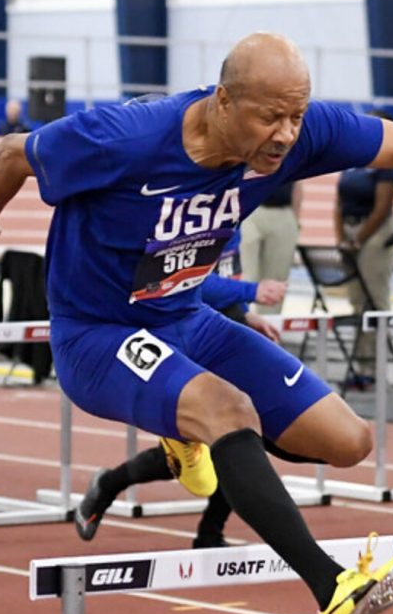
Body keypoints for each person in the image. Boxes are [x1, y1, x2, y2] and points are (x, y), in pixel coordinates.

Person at [0, 32, 393, 614]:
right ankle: (334, 591)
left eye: (297, 116)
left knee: (347, 442)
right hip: (101, 335)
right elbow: (15, 152)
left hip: (188, 319)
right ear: (223, 102)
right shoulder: (123, 138)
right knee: (226, 409)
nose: (286, 135)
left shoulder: (294, 134)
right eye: (270, 118)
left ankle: (189, 437)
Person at [74, 233, 287, 550]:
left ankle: (208, 533)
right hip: (186, 337)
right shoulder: (194, 219)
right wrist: (253, 291)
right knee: (204, 446)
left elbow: (229, 272)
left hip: (223, 334)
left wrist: (244, 313)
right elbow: (191, 284)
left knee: (239, 439)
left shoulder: (235, 213)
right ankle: (110, 484)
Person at [333, 110, 393, 391]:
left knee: (375, 300)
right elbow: (338, 201)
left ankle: (373, 368)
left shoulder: (387, 163)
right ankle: (361, 365)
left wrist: (359, 239)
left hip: (376, 232)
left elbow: (383, 206)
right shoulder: (352, 161)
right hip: (350, 230)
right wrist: (341, 237)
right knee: (357, 303)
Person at [239, 181, 302, 314]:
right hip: (250, 209)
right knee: (246, 274)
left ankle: (269, 327)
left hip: (282, 210)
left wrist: (295, 218)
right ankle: (240, 320)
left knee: (277, 277)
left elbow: (298, 183)